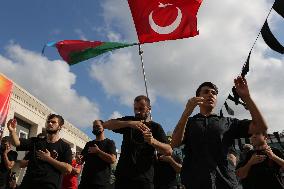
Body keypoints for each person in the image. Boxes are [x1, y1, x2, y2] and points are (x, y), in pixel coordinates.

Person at [171, 76, 268, 189]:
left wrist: (247, 97)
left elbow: (261, 127)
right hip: (195, 182)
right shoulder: (189, 122)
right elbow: (174, 143)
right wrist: (187, 112)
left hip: (225, 182)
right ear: (198, 97)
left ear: (216, 99)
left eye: (214, 93)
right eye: (206, 92)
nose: (210, 94)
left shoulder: (229, 122)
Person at [104, 95, 172, 189]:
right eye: (135, 109)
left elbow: (169, 151)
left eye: (141, 108)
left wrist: (153, 141)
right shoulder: (129, 122)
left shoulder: (156, 127)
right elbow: (106, 125)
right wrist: (129, 123)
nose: (137, 112)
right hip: (123, 177)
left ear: (149, 109)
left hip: (144, 179)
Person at [7, 114, 72, 189]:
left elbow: (68, 169)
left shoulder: (65, 146)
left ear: (60, 126)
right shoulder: (36, 141)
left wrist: (48, 159)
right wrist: (12, 131)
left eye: (53, 122)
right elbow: (17, 143)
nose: (50, 123)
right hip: (28, 185)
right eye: (48, 122)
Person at [78, 120, 116, 189]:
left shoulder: (109, 143)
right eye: (94, 127)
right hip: (85, 183)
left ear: (103, 127)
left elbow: (112, 159)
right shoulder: (89, 144)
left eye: (98, 126)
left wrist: (98, 152)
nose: (95, 128)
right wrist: (79, 158)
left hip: (101, 184)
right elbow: (81, 161)